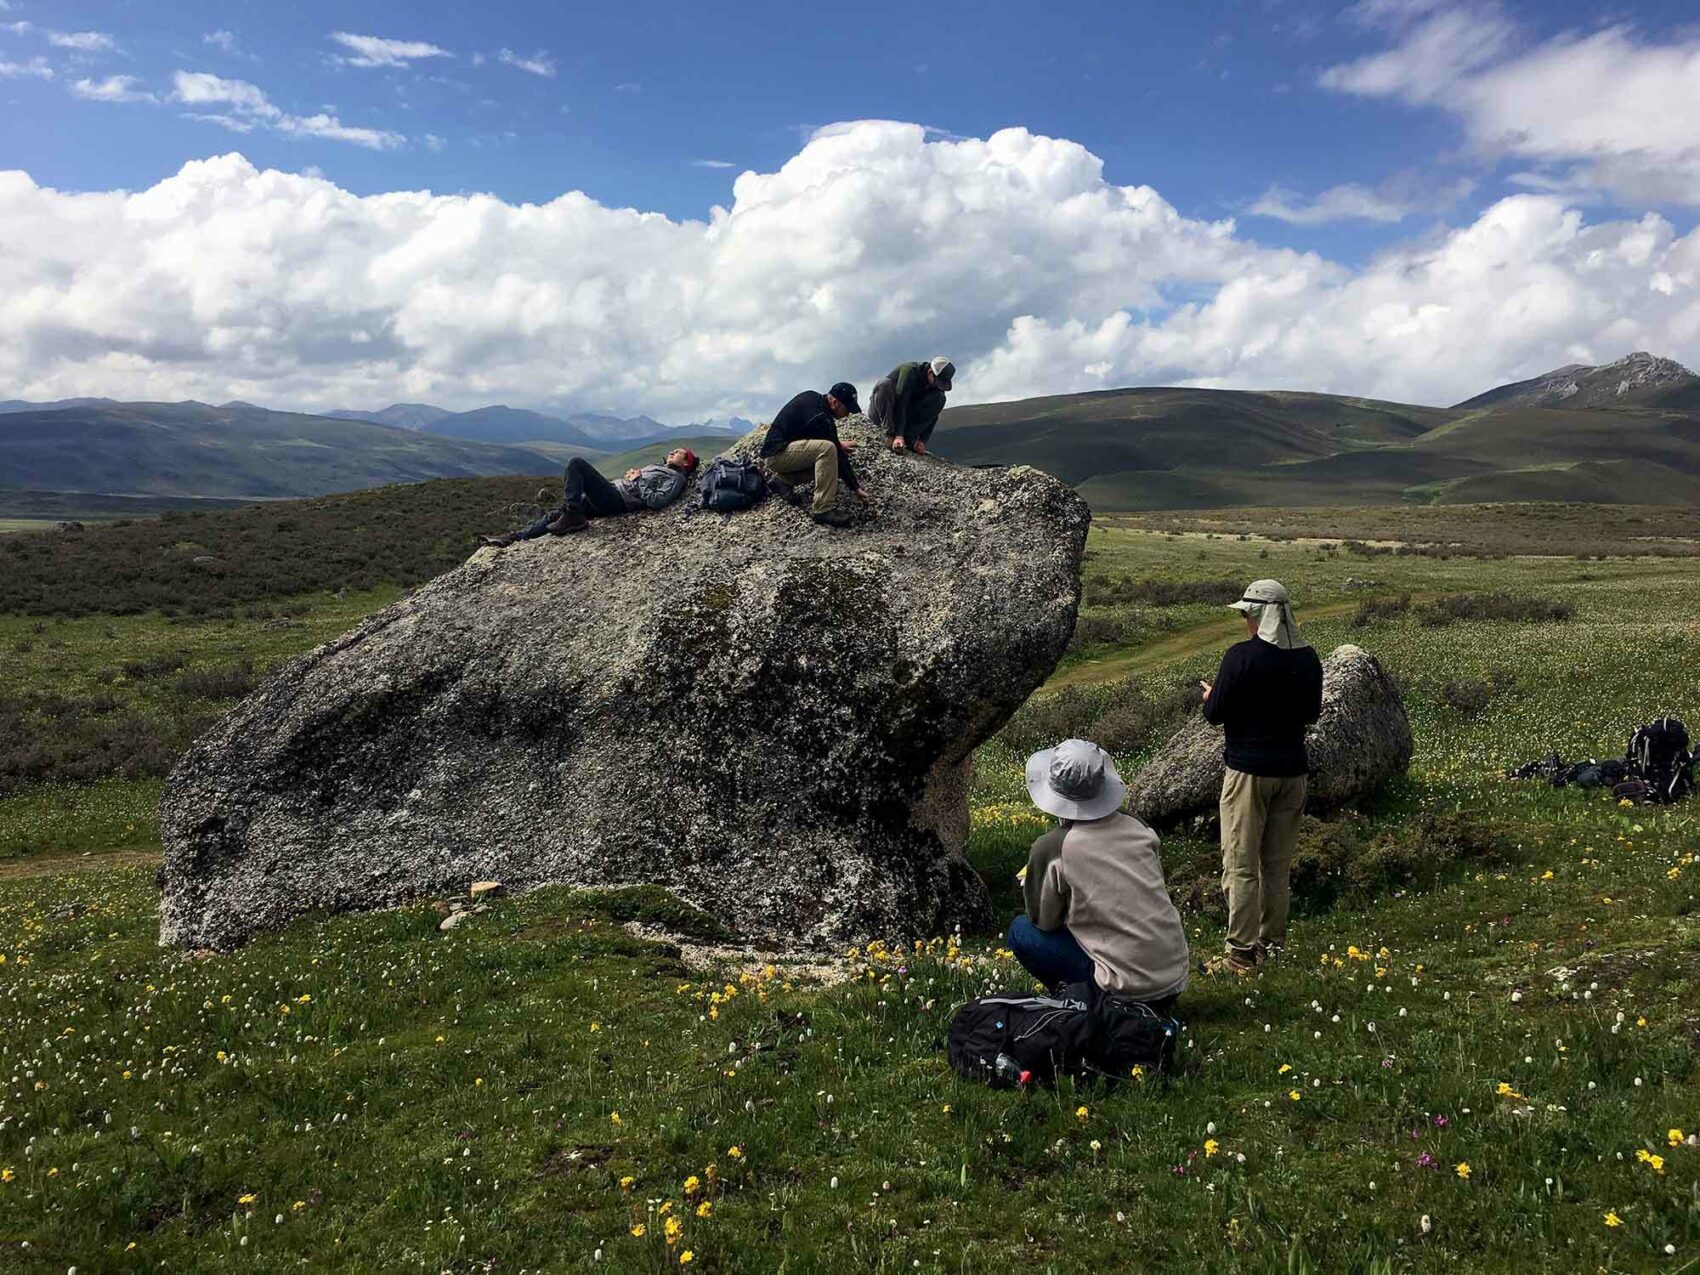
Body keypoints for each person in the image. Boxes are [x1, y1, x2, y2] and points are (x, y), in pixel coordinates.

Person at [1006, 738, 1190, 1010]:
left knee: (1021, 931)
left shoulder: (1052, 847)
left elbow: (1044, 922)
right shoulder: (1136, 825)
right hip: (1172, 980)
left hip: (1124, 989)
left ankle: (1083, 1001)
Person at [1198, 579, 1324, 976]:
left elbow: (1213, 714)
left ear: (1260, 616)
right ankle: (1272, 944)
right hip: (1293, 772)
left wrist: (1211, 695)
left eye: (1247, 615)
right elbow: (1311, 714)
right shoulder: (1308, 659)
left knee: (1240, 864)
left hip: (1249, 773)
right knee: (1276, 865)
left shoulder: (1241, 657)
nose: (1245, 623)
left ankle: (1241, 955)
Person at [481, 448, 698, 546]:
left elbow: (656, 501)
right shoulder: (663, 468)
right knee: (555, 514)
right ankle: (513, 538)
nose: (672, 452)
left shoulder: (676, 478)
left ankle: (574, 515)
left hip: (618, 500)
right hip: (613, 494)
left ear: (686, 462)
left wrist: (638, 478)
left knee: (576, 464)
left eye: (677, 452)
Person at [757, 382, 868, 526]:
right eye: (847, 409)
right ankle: (822, 510)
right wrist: (856, 488)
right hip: (777, 455)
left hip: (782, 451)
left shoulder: (814, 400)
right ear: (834, 402)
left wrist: (837, 444)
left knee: (829, 463)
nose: (848, 414)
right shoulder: (820, 417)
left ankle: (783, 481)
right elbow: (834, 450)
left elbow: (811, 435)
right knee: (828, 450)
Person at [869, 356, 954, 454]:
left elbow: (934, 416)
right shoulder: (910, 371)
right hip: (883, 414)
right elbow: (902, 402)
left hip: (905, 419)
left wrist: (923, 440)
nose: (937, 386)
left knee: (939, 398)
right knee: (884, 384)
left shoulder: (935, 389)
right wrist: (898, 435)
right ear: (930, 372)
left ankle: (909, 440)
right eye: (937, 382)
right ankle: (889, 435)